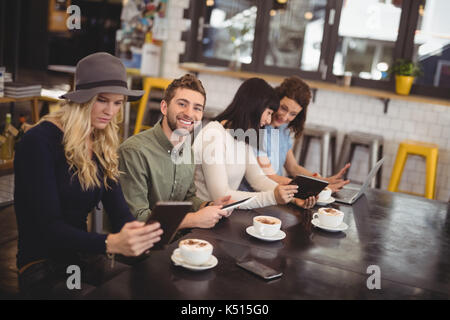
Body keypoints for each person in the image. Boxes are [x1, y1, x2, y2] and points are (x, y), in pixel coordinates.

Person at [14, 52, 163, 299]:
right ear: (82, 99)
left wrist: (141, 234)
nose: (111, 111)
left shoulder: (101, 142)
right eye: (103, 100)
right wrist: (111, 244)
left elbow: (120, 213)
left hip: (83, 258)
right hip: (42, 266)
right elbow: (49, 228)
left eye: (117, 103)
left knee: (152, 285)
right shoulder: (38, 142)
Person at [118, 74, 231, 230]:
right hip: (140, 249)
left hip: (175, 241)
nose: (190, 113)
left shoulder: (187, 151)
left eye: (197, 108)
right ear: (164, 107)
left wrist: (208, 205)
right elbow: (137, 218)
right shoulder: (134, 152)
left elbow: (187, 198)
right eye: (182, 104)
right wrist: (194, 220)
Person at [193, 77, 316, 210]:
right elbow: (221, 196)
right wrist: (273, 197)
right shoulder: (214, 136)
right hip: (201, 217)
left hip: (222, 215)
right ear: (255, 107)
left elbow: (257, 178)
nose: (269, 120)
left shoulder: (242, 135)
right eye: (268, 113)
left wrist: (291, 197)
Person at [240, 76, 350, 205]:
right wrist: (314, 188)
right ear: (276, 100)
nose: (285, 117)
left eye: (293, 114)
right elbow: (268, 177)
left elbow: (292, 167)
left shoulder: (283, 129)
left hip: (279, 195)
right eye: (283, 108)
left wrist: (321, 181)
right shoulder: (258, 127)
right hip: (258, 197)